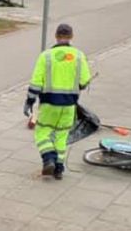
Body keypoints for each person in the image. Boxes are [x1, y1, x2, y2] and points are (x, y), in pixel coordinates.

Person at [24, 24, 91, 179]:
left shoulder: (46, 56)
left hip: (49, 103)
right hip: (69, 105)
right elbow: (85, 80)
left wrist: (29, 101)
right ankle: (59, 169)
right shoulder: (79, 56)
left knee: (42, 133)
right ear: (71, 37)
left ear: (56, 36)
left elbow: (36, 82)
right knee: (61, 136)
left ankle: (48, 159)